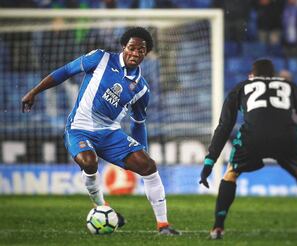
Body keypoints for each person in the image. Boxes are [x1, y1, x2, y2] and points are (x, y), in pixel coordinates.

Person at [22, 27, 180, 235]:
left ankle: (163, 226)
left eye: (141, 50)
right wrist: (35, 91)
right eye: (131, 48)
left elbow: (138, 123)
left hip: (109, 134)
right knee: (89, 161)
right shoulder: (100, 58)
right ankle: (101, 206)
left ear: (146, 53)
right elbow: (65, 72)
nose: (135, 53)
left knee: (149, 166)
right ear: (124, 47)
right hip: (79, 128)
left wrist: (142, 150)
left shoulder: (141, 89)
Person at [199, 59, 297, 239]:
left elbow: (224, 126)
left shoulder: (242, 87)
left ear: (252, 74)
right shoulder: (290, 87)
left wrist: (209, 161)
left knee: (231, 173)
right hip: (286, 138)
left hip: (253, 139)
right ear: (274, 76)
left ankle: (218, 227)